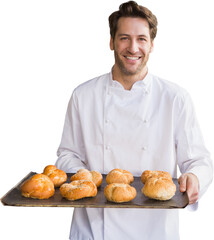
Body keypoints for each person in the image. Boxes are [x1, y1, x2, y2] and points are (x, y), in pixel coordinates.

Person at [55, 1, 213, 239]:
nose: (133, 48)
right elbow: (67, 154)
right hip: (94, 228)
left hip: (156, 230)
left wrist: (194, 178)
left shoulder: (175, 98)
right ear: (111, 42)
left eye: (141, 39)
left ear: (151, 46)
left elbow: (199, 161)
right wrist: (86, 181)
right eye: (124, 38)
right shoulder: (83, 95)